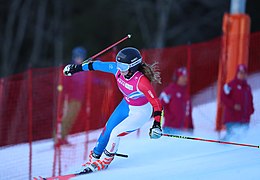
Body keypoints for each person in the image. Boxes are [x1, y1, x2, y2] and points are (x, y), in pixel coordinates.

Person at [63, 47, 163, 173]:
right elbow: (97, 65)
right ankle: (94, 157)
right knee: (107, 129)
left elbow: (157, 103)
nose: (119, 69)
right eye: (118, 64)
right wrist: (75, 69)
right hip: (126, 104)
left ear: (132, 66)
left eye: (123, 66)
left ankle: (104, 161)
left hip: (140, 112)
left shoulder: (141, 82)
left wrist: (157, 124)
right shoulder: (117, 69)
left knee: (116, 132)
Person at [55, 46, 87, 146]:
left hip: (79, 98)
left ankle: (64, 137)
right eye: (77, 57)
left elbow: (90, 79)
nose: (79, 59)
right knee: (66, 118)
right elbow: (65, 82)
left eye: (81, 57)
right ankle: (58, 138)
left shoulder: (83, 69)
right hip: (70, 98)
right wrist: (64, 94)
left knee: (72, 118)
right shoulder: (71, 68)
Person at [221, 64, 254, 140]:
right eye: (240, 73)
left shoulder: (247, 87)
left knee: (242, 140)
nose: (242, 75)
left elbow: (250, 100)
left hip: (245, 120)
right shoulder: (230, 85)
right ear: (237, 73)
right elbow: (223, 97)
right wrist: (233, 105)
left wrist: (251, 110)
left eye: (244, 73)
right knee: (232, 139)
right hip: (232, 119)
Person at [159, 67, 193, 134]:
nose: (185, 79)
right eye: (183, 77)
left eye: (186, 77)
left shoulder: (185, 93)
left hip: (184, 130)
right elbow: (159, 105)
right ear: (177, 78)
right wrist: (169, 117)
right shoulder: (169, 91)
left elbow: (188, 111)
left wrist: (190, 126)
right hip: (170, 128)